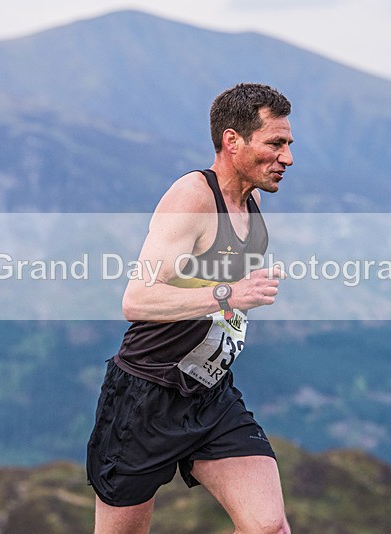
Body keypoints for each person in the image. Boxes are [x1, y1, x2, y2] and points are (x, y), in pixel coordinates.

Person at [87, 83, 294, 534]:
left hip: (210, 394)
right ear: (232, 141)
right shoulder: (193, 197)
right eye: (275, 144)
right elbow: (137, 299)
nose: (288, 158)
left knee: (269, 528)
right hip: (145, 397)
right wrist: (228, 294)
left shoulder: (252, 201)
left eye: (288, 145)